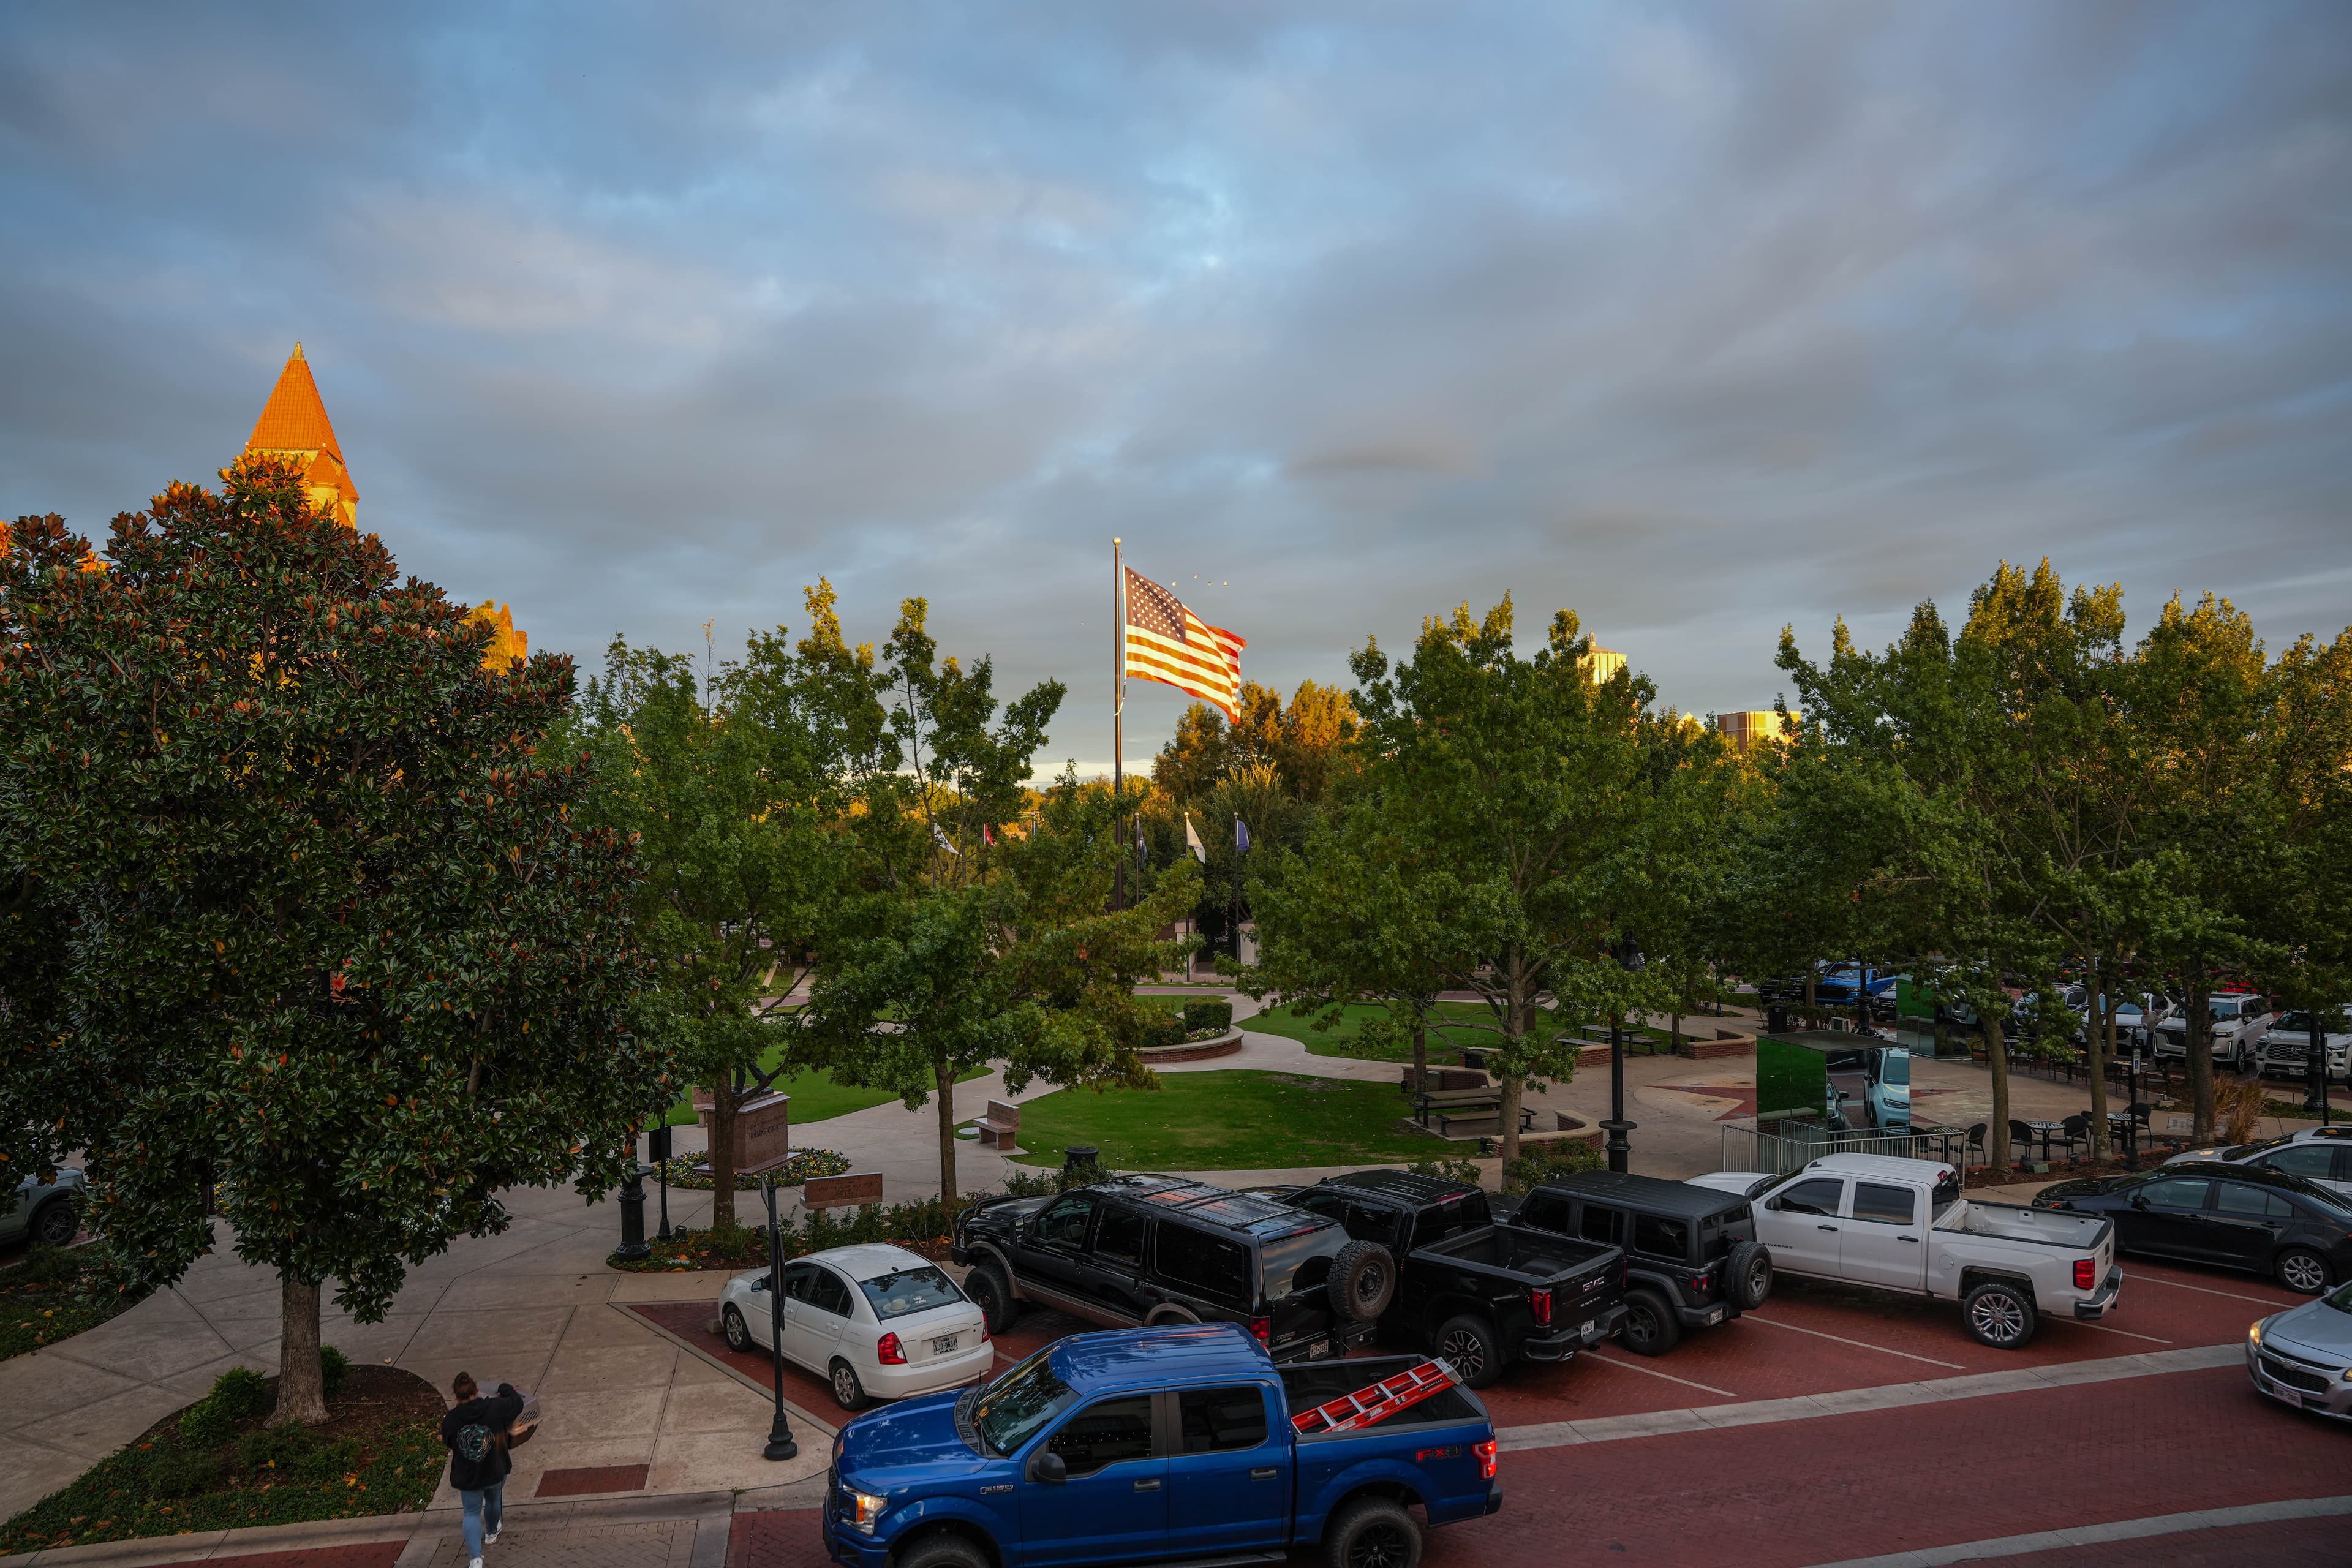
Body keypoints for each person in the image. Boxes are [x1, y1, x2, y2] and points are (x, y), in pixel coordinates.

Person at [441, 1370, 524, 1568]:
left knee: (471, 1513)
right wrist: (505, 1388)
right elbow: (517, 1404)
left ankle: (476, 1559)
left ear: (456, 1396)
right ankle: (492, 1531)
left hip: (468, 1475)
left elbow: (449, 1441)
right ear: (477, 1391)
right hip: (495, 1468)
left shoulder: (451, 1420)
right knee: (494, 1500)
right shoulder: (495, 1408)